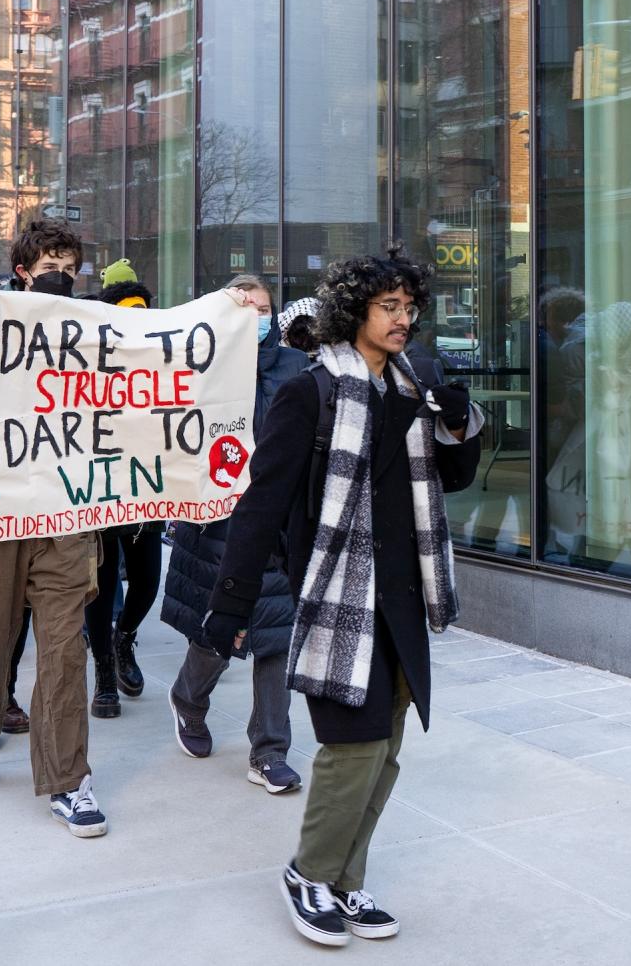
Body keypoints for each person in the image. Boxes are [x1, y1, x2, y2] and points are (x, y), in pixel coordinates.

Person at [204, 247, 482, 945]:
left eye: (409, 307)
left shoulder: (414, 384)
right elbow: (262, 501)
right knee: (351, 745)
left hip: (402, 596)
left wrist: (457, 422)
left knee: (383, 747)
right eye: (388, 306)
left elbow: (452, 477)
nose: (402, 320)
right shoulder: (311, 390)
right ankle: (309, 873)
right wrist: (231, 603)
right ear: (353, 309)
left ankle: (344, 883)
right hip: (338, 594)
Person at [0, 221, 106, 830]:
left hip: (67, 514)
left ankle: (70, 777)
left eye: (69, 260)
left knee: (65, 649)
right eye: (49, 260)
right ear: (22, 270)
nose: (60, 270)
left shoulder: (100, 330)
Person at [160, 275, 308, 793]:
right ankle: (188, 698)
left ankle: (269, 752)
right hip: (222, 524)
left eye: (264, 308)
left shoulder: (296, 367)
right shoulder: (198, 366)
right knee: (222, 632)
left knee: (277, 639)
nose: (256, 317)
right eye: (243, 308)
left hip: (282, 525)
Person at [82, 276, 164, 717]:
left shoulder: (162, 360)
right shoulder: (88, 360)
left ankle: (124, 637)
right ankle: (104, 672)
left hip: (146, 489)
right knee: (101, 584)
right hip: (98, 491)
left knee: (148, 580)